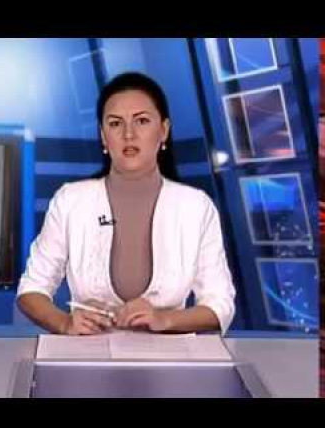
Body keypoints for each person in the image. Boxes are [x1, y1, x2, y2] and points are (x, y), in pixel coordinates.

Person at [17, 72, 236, 336]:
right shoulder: (70, 200)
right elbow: (31, 289)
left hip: (171, 356)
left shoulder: (196, 206)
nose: (129, 134)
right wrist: (64, 323)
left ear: (163, 130)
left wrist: (165, 319)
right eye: (115, 123)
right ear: (103, 135)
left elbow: (220, 304)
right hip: (88, 352)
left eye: (142, 121)